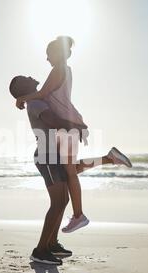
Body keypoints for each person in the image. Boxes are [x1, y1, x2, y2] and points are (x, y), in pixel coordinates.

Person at [9, 75, 132, 265]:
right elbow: (54, 121)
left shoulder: (38, 100)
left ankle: (51, 244)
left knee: (67, 190)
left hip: (53, 155)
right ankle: (40, 250)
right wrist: (78, 126)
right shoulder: (35, 104)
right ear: (22, 88)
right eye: (24, 78)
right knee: (58, 202)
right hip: (46, 156)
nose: (30, 76)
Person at [15, 36, 132, 233]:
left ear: (58, 54)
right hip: (69, 123)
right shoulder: (63, 70)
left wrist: (23, 97)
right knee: (68, 170)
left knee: (69, 172)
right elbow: (47, 95)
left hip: (67, 124)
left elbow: (43, 93)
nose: (46, 59)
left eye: (48, 55)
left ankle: (79, 215)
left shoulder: (59, 69)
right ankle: (109, 158)